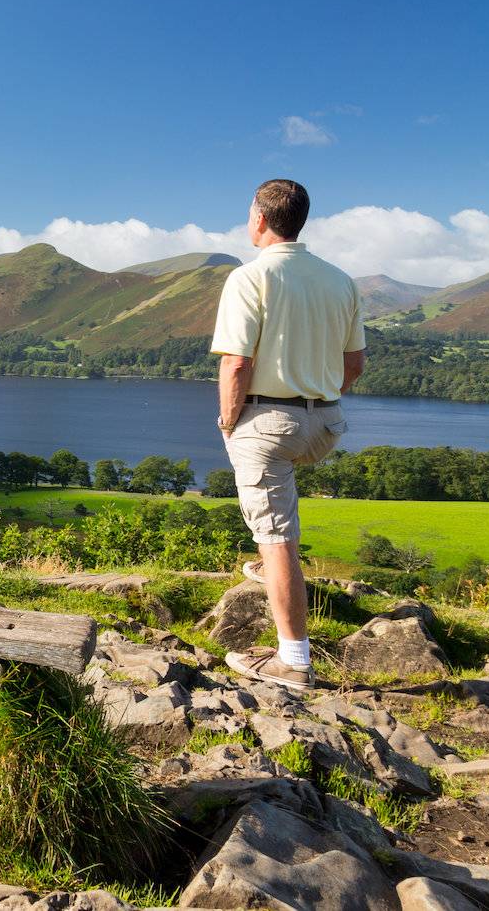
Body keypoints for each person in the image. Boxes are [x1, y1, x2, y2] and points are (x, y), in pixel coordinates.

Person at [211, 179, 366, 689]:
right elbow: (354, 366)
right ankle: (273, 569)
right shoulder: (341, 280)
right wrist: (319, 392)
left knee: (279, 539)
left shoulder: (249, 277)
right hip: (325, 423)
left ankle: (293, 662)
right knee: (278, 515)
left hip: (269, 424)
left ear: (259, 218)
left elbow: (236, 363)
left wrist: (230, 422)